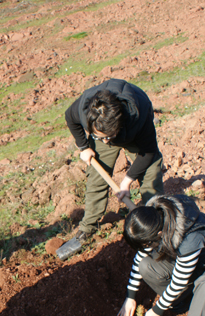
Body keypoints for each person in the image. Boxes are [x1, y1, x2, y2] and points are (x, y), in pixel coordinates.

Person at [65, 78, 164, 242]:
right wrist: (84, 147)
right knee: (96, 177)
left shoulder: (138, 115)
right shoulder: (84, 110)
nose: (105, 142)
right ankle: (88, 227)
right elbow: (69, 117)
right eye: (100, 137)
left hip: (133, 133)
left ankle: (155, 222)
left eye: (108, 137)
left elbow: (148, 153)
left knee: (150, 173)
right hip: (106, 129)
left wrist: (127, 181)